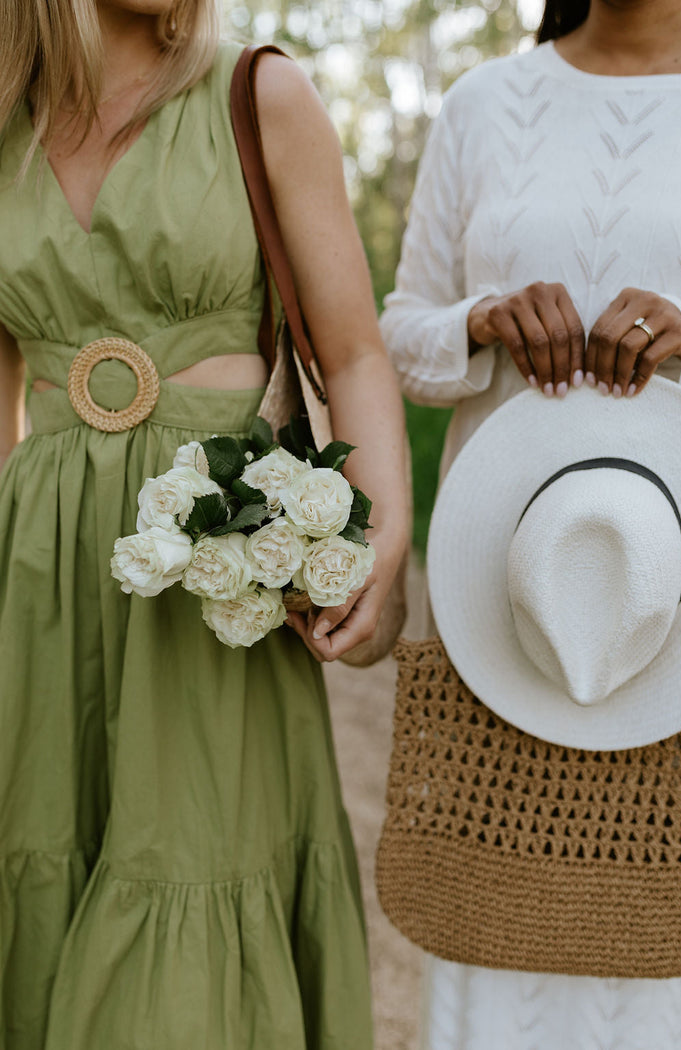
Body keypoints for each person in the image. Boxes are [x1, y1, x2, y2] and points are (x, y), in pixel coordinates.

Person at [0, 2, 408, 1047]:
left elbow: (353, 352)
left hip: (208, 574)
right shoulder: (2, 122)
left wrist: (381, 543)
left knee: (192, 859)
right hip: (37, 579)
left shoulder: (258, 93)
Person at [380, 0, 681, 1047]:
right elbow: (399, 327)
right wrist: (477, 322)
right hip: (509, 606)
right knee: (494, 917)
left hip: (680, 612)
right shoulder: (487, 103)